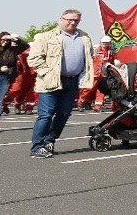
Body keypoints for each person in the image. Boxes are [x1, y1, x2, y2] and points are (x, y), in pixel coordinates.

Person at [27, 9, 96, 158]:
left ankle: (50, 141)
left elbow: (89, 58)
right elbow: (33, 59)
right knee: (46, 115)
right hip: (50, 82)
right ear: (61, 19)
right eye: (69, 19)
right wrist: (47, 73)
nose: (72, 23)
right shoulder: (46, 37)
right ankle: (37, 147)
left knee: (64, 114)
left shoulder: (84, 37)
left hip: (71, 81)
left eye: (76, 20)